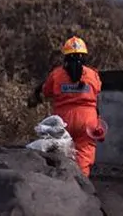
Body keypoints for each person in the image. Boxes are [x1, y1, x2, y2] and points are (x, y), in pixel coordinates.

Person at [27, 35, 105, 177]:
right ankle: (81, 183)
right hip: (87, 122)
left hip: (62, 121)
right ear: (84, 56)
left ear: (65, 56)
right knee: (84, 157)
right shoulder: (93, 75)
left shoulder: (56, 75)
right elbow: (97, 92)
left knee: (60, 154)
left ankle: (62, 183)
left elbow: (46, 91)